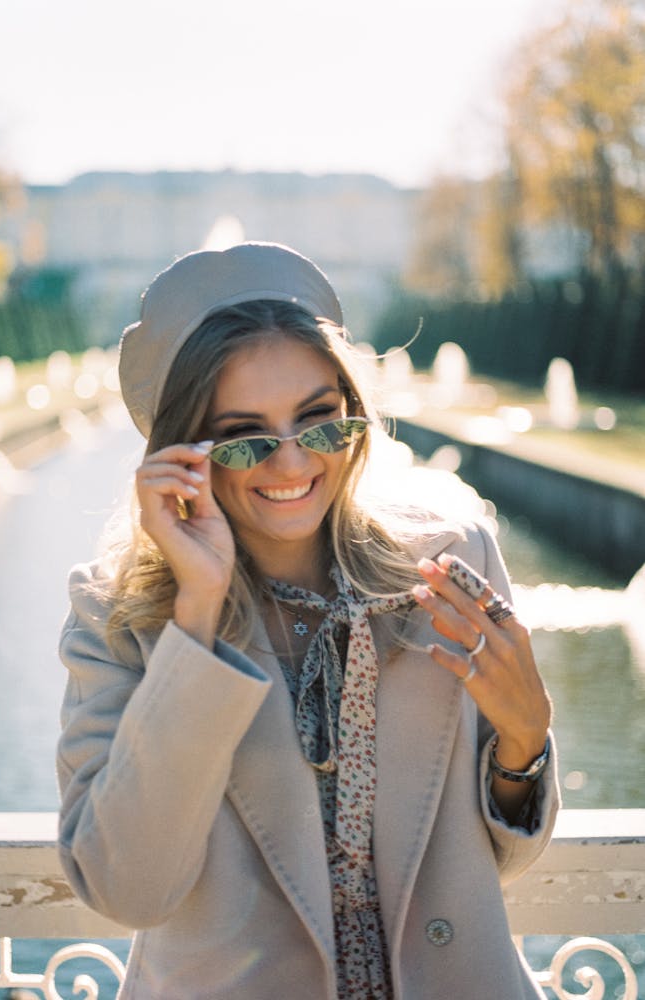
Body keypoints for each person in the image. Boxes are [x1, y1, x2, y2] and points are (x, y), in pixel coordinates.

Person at [56, 242, 559, 1000]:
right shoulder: (120, 614)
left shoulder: (453, 562)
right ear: (184, 452)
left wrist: (523, 747)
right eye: (248, 438)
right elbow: (129, 888)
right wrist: (195, 618)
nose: (292, 466)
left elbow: (498, 863)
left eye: (322, 424)